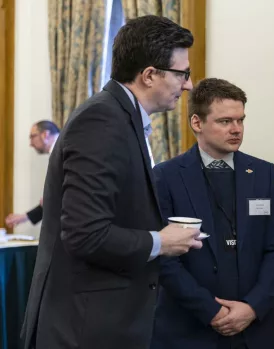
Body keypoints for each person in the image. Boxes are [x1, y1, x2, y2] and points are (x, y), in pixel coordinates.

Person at [21, 15, 203, 349]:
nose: (189, 85)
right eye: (183, 74)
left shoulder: (122, 118)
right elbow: (84, 234)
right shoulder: (102, 119)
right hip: (85, 327)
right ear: (150, 75)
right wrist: (161, 242)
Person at [150, 78, 274, 349]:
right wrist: (211, 311)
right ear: (197, 123)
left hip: (257, 329)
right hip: (189, 330)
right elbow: (164, 260)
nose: (236, 129)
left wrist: (252, 307)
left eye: (240, 120)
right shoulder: (165, 177)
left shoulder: (263, 173)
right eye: (225, 121)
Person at [5, 120, 59, 228]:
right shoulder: (56, 154)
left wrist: (51, 198)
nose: (30, 143)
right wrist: (25, 217)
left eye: (32, 136)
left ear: (45, 135)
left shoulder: (64, 152)